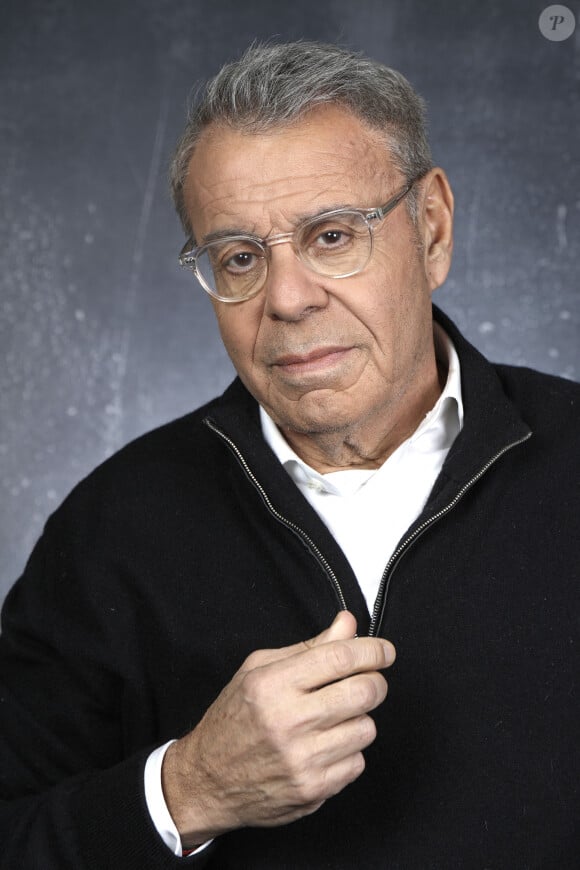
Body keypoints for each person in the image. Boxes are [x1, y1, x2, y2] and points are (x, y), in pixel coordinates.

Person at [0, 40, 578, 870]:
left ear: (433, 230)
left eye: (333, 236)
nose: (287, 298)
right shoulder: (113, 526)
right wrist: (188, 789)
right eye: (238, 257)